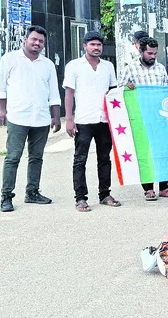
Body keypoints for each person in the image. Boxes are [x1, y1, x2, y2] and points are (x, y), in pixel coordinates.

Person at [0, 25, 61, 212]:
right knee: (13, 158)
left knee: (36, 157)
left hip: (41, 118)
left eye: (41, 41)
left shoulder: (47, 64)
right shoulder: (10, 59)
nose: (37, 43)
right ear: (25, 40)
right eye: (34, 40)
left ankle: (32, 192)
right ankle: (6, 197)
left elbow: (54, 92)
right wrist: (2, 110)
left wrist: (56, 116)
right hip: (17, 116)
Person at [63, 31, 121, 212]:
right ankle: (80, 198)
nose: (96, 48)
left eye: (99, 45)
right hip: (83, 120)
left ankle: (105, 194)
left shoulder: (108, 66)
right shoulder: (74, 66)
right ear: (84, 46)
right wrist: (69, 119)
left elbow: (113, 92)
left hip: (104, 120)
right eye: (92, 44)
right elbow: (69, 93)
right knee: (80, 160)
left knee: (104, 158)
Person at [119, 36, 168, 200]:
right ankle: (148, 188)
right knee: (145, 153)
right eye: (149, 53)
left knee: (164, 151)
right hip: (140, 118)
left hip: (160, 117)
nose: (153, 56)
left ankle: (164, 186)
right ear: (140, 50)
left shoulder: (160, 68)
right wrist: (127, 88)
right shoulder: (130, 69)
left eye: (155, 53)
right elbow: (118, 92)